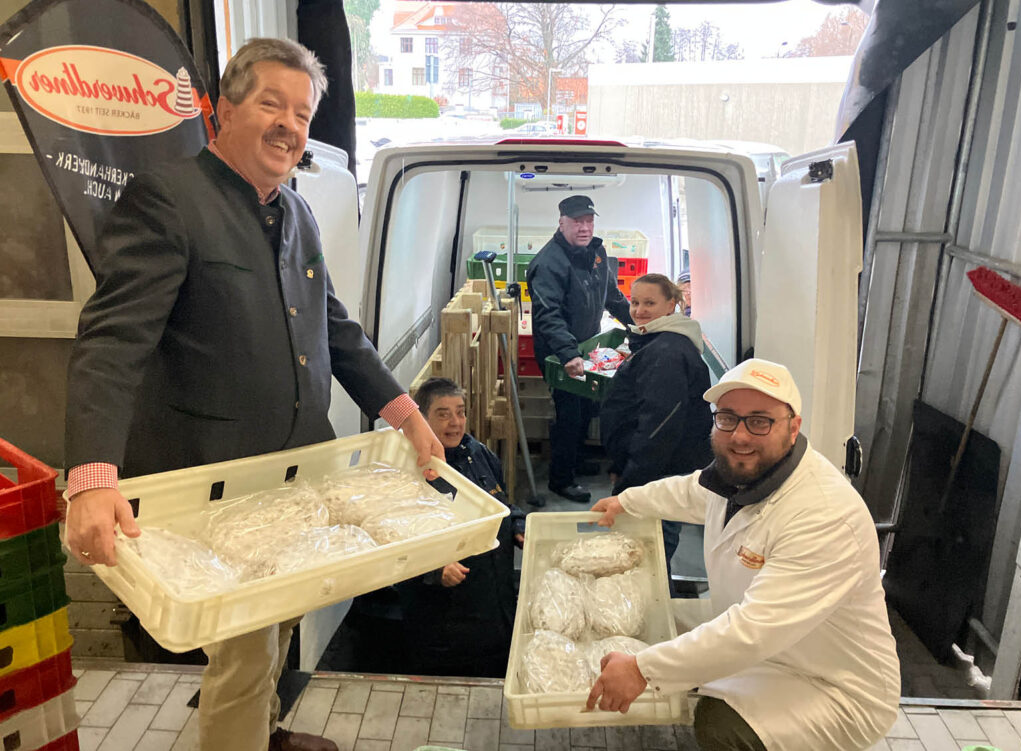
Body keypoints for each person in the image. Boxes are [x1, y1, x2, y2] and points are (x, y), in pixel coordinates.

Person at [62, 39, 443, 751]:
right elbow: (112, 342)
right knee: (241, 652)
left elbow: (334, 328)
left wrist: (406, 412)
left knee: (279, 619)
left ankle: (263, 730)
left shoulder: (295, 212)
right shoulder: (167, 200)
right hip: (217, 481)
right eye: (272, 103)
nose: (289, 126)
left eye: (302, 113)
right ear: (222, 110)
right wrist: (91, 475)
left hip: (293, 472)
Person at [586, 358, 899, 751]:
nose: (740, 435)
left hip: (832, 685)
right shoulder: (739, 475)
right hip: (778, 648)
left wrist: (641, 670)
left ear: (793, 427)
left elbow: (753, 631)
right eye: (728, 418)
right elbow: (689, 493)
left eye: (760, 421)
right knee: (654, 620)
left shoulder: (824, 516)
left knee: (720, 724)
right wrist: (626, 502)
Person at [396, 377, 526, 677]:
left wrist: (516, 523)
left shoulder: (479, 454)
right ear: (422, 420)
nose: (455, 422)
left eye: (461, 412)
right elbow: (395, 546)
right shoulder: (410, 473)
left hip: (496, 613)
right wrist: (433, 571)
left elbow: (503, 503)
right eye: (443, 414)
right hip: (446, 637)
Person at [600, 273, 712, 568]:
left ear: (672, 304)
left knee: (649, 557)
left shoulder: (668, 352)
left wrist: (631, 483)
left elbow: (658, 427)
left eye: (650, 302)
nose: (639, 310)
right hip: (651, 469)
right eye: (635, 302)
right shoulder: (656, 341)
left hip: (658, 473)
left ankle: (656, 608)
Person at [526, 195, 632, 504]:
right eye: (577, 222)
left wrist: (637, 323)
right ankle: (561, 479)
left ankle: (575, 460)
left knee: (588, 408)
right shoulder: (548, 263)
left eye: (589, 221)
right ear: (562, 223)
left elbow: (611, 296)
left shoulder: (596, 252)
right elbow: (549, 315)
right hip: (560, 354)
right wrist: (569, 354)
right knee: (569, 414)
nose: (584, 227)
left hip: (589, 345)